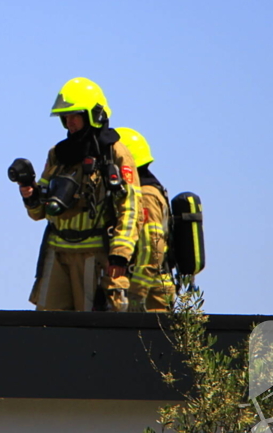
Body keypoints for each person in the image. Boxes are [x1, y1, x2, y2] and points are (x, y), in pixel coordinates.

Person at [18, 78, 142, 312]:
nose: (70, 122)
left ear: (94, 114)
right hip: (56, 255)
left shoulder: (115, 153)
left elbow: (130, 208)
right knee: (47, 326)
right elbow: (39, 212)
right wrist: (29, 195)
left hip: (94, 256)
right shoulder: (58, 154)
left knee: (92, 330)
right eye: (66, 117)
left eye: (75, 115)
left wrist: (119, 255)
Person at [116, 128, 176, 312]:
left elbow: (152, 249)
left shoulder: (146, 195)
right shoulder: (139, 191)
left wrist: (136, 294)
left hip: (151, 295)